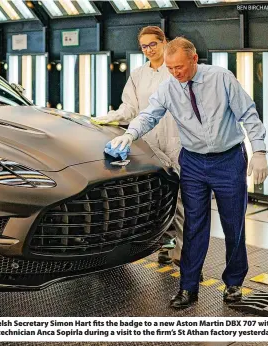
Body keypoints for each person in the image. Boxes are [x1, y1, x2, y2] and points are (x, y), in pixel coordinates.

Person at [108, 37, 268, 309]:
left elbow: (248, 114)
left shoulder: (221, 78)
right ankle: (188, 287)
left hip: (228, 159)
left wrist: (260, 151)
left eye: (180, 67)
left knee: (233, 224)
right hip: (193, 162)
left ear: (194, 59)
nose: (175, 73)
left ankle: (233, 283)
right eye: (170, 68)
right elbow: (149, 115)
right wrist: (129, 133)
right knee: (194, 226)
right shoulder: (169, 86)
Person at [96, 26, 183, 266]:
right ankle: (165, 245)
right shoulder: (138, 74)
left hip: (179, 141)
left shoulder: (175, 69)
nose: (149, 50)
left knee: (184, 200)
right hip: (150, 143)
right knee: (160, 197)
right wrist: (110, 117)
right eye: (144, 46)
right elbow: (130, 109)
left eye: (153, 44)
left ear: (164, 41)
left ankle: (184, 257)